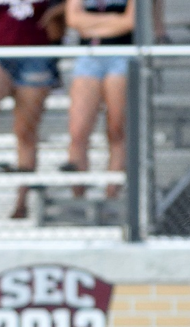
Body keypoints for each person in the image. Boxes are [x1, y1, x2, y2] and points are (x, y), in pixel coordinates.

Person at [0, 0, 65, 217]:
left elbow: (71, 6)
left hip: (35, 56)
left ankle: (22, 200)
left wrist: (55, 12)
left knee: (26, 131)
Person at [62, 0, 134, 200]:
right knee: (78, 130)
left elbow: (130, 21)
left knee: (117, 129)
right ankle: (78, 196)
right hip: (88, 56)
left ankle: (112, 193)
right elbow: (73, 19)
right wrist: (112, 20)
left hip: (121, 54)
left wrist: (92, 25)